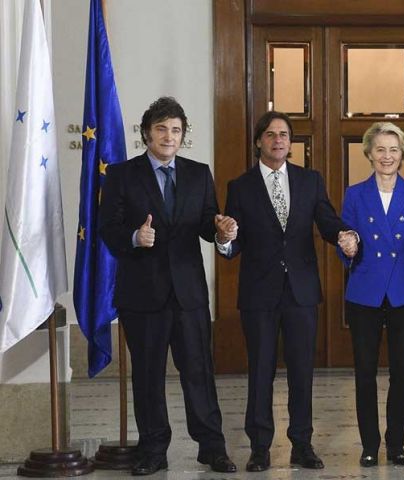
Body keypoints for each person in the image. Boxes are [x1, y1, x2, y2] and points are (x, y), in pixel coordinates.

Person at [98, 97, 236, 476]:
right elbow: (107, 227)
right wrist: (133, 238)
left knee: (199, 374)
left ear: (183, 135)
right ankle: (154, 451)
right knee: (148, 376)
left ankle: (212, 447)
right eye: (161, 129)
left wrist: (221, 232)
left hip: (189, 294)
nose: (169, 136)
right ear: (147, 133)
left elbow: (208, 223)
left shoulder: (198, 173)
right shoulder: (123, 175)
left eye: (176, 130)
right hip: (143, 295)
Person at [214, 111, 358, 472]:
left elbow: (326, 219)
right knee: (260, 370)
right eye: (271, 134)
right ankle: (260, 447)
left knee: (301, 371)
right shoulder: (240, 186)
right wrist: (224, 238)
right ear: (258, 141)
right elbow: (234, 240)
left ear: (290, 143)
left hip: (301, 292)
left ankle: (302, 445)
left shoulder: (310, 180)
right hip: (259, 294)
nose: (278, 140)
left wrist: (342, 234)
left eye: (284, 134)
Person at [337, 122, 404, 467]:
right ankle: (369, 445)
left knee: (401, 371)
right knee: (364, 370)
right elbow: (346, 240)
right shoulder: (354, 194)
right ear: (369, 154)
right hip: (365, 291)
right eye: (380, 149)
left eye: (394, 150)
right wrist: (346, 246)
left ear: (403, 155)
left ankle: (397, 443)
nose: (387, 156)